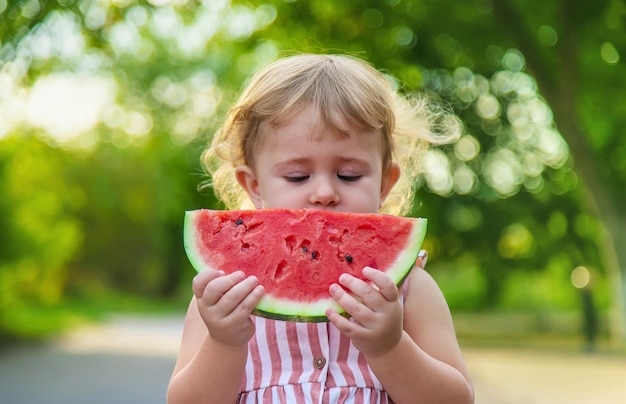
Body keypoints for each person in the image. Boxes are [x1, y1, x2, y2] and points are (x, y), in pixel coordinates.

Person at [167, 53, 474, 403]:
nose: (325, 193)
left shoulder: (410, 289)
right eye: (298, 176)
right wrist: (222, 343)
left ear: (385, 183)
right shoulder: (228, 293)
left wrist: (391, 348)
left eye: (349, 175)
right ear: (254, 186)